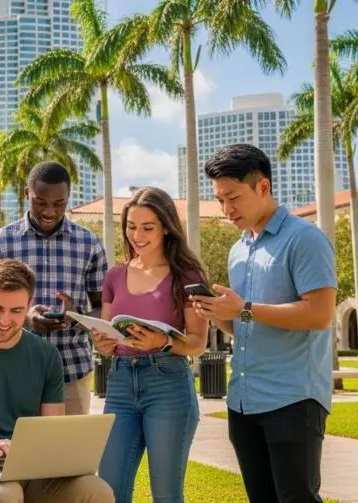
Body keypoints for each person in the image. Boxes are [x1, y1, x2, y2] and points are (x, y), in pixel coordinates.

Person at [192, 144, 337, 503]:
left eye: (233, 198)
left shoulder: (305, 239)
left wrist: (243, 310)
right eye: (220, 200)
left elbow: (319, 314)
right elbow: (244, 323)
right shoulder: (239, 249)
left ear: (263, 187)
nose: (227, 210)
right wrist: (219, 314)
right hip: (243, 401)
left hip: (293, 399)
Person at [0, 258, 114, 503]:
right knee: (5, 495)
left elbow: (52, 428)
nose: (5, 321)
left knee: (97, 491)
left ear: (29, 305)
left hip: (35, 471)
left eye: (16, 311)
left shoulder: (46, 356)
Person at [91, 187, 209, 503]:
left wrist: (164, 342)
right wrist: (103, 343)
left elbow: (198, 343)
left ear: (166, 227)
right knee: (110, 490)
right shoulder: (114, 276)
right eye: (131, 226)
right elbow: (107, 332)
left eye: (147, 227)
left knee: (166, 494)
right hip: (119, 385)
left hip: (167, 384)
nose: (137, 235)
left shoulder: (187, 274)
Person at [0, 161, 108, 415]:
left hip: (71, 371)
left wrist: (77, 317)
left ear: (69, 198)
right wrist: (24, 317)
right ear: (27, 194)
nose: (49, 211)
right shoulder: (0, 242)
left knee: (66, 454)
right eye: (40, 202)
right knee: (9, 452)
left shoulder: (89, 244)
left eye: (59, 204)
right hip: (10, 371)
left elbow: (104, 311)